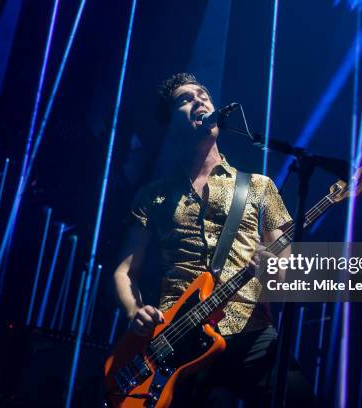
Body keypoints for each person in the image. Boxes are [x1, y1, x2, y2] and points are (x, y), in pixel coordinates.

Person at [113, 73, 314, 407]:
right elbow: (124, 271)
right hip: (176, 338)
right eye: (186, 99)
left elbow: (288, 274)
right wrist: (134, 311)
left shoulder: (260, 187)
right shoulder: (153, 197)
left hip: (250, 330)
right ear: (170, 124)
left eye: (203, 94)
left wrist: (272, 268)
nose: (200, 101)